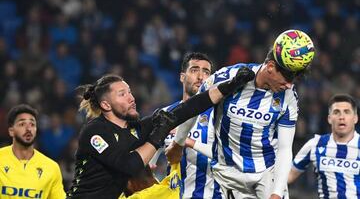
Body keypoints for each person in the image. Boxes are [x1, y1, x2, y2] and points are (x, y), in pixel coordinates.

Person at [166, 29, 315, 199]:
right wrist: (178, 143)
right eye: (287, 77)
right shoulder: (227, 77)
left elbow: (284, 148)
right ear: (271, 67)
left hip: (266, 175)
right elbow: (194, 107)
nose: (289, 85)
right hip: (227, 176)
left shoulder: (289, 97)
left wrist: (277, 193)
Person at [67, 69, 255, 199]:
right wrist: (157, 137)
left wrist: (229, 86)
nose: (131, 98)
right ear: (106, 105)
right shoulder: (94, 132)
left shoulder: (135, 129)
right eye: (122, 94)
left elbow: (188, 108)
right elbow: (128, 166)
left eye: (130, 92)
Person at [163, 52, 223, 198]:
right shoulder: (165, 114)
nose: (201, 77)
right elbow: (151, 157)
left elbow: (227, 157)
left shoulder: (220, 116)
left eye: (206, 72)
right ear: (182, 77)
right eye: (195, 70)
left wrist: (186, 141)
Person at [288, 94, 360, 199]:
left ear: (355, 118)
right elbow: (289, 175)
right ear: (329, 119)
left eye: (347, 112)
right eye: (336, 112)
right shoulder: (315, 144)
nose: (341, 117)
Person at [0, 104, 66, 199]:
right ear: (11, 131)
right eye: (22, 124)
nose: (28, 129)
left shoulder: (51, 167)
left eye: (32, 124)